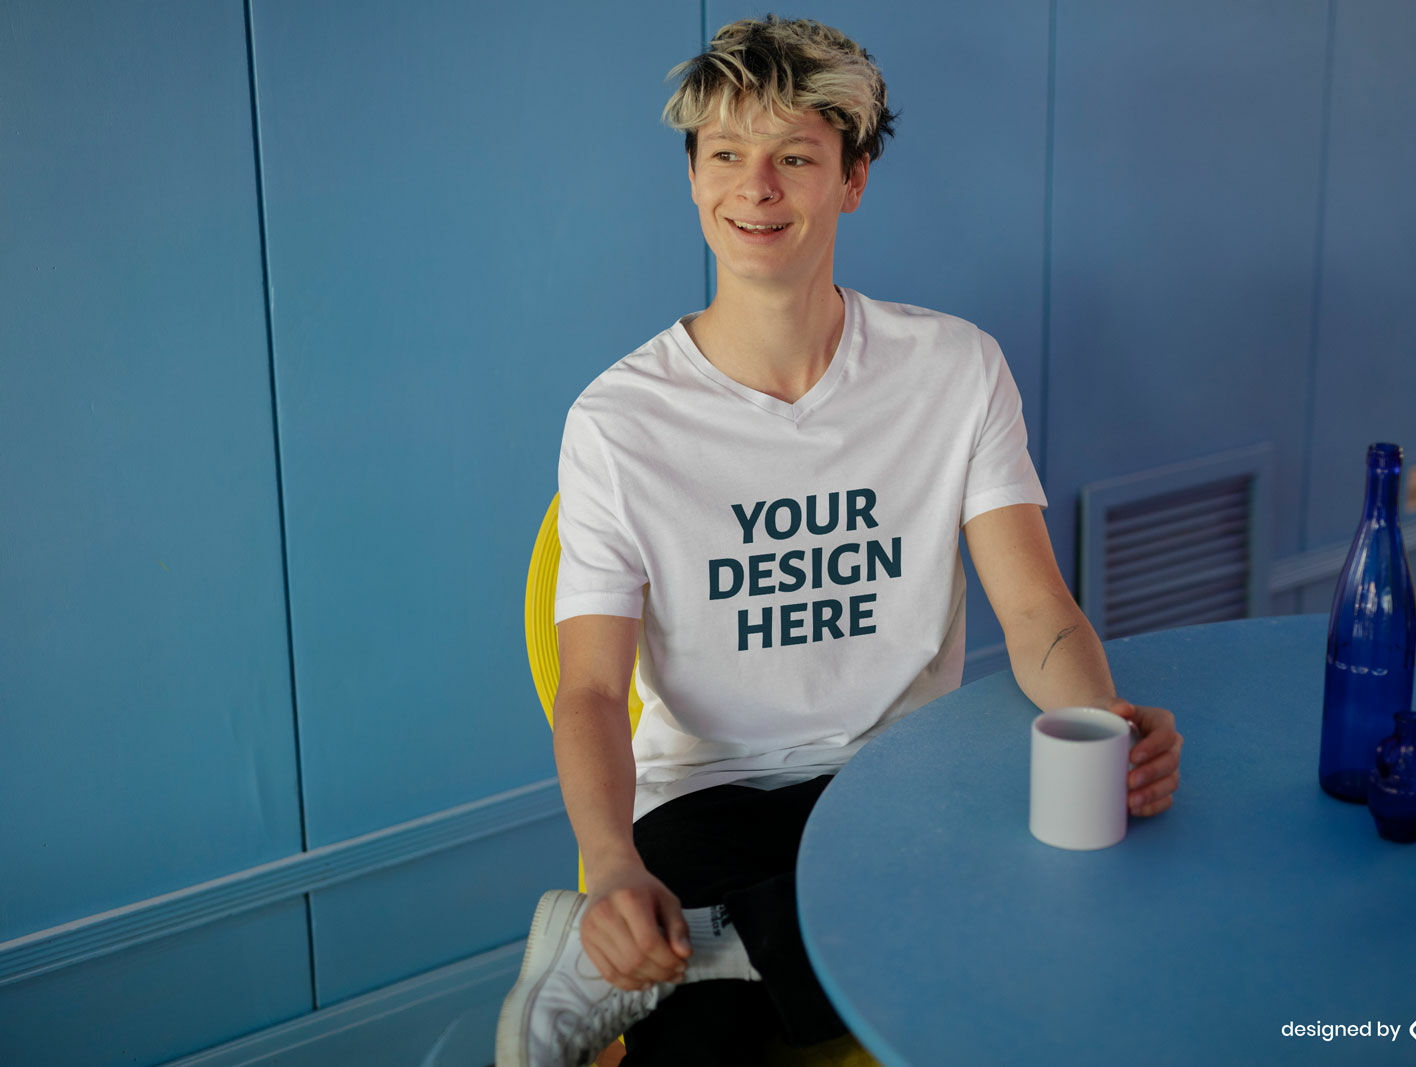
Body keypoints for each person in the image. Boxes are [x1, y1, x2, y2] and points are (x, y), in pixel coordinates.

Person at [496, 16, 1182, 1067]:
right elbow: (591, 687)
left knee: (1071, 896)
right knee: (703, 1047)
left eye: (795, 157)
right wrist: (609, 863)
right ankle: (741, 952)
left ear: (851, 179)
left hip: (899, 783)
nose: (754, 187)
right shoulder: (617, 419)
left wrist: (1099, 725)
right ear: (691, 177)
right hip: (706, 798)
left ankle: (727, 948)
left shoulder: (953, 370)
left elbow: (1036, 607)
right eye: (724, 154)